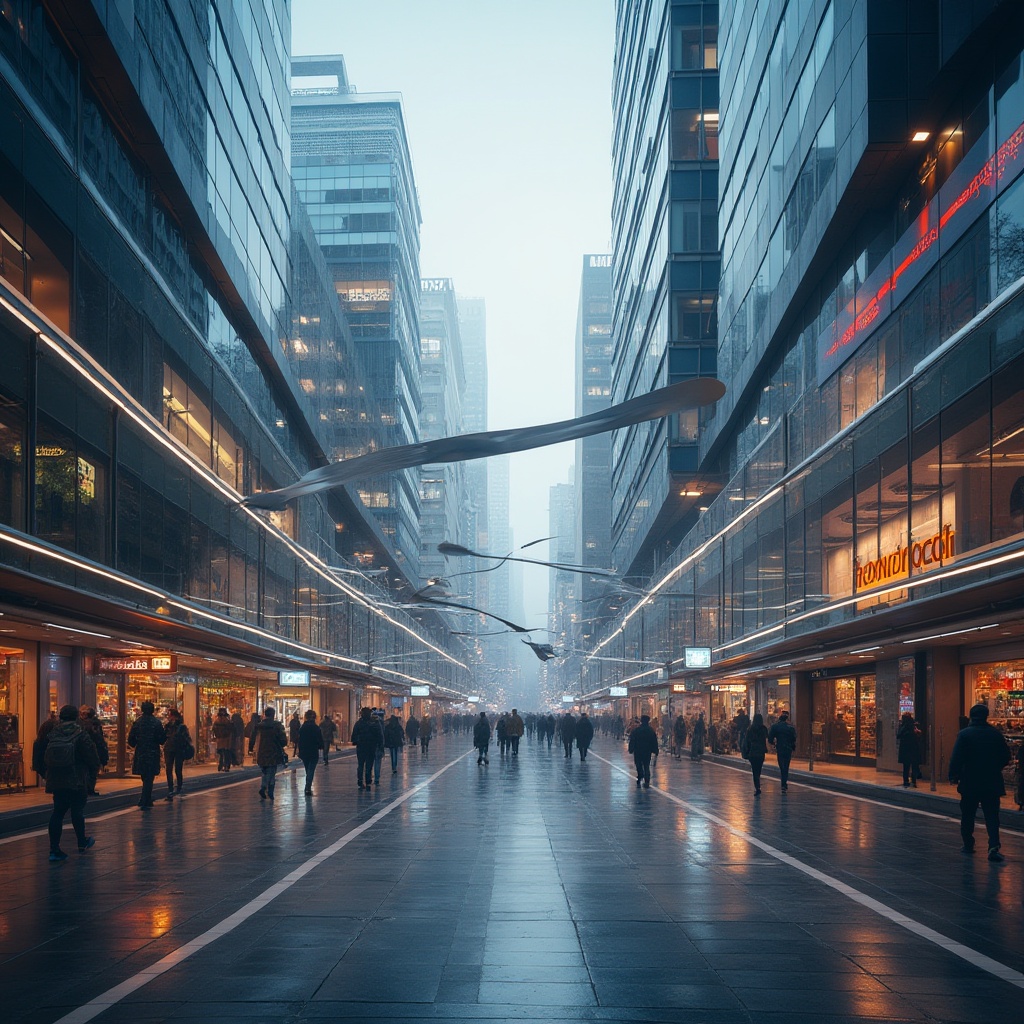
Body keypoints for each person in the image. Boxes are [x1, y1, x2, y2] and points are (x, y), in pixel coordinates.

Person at [33, 705, 99, 861]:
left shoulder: (52, 733)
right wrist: (92, 772)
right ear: (76, 716)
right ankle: (82, 842)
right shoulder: (80, 733)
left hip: (57, 780)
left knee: (58, 813)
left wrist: (46, 773)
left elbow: (40, 755)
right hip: (76, 779)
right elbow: (91, 756)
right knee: (77, 811)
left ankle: (54, 849)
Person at [948, 703, 1012, 861]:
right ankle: (994, 846)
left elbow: (956, 758)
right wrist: (995, 767)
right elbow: (1006, 756)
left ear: (971, 716)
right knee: (992, 815)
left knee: (968, 814)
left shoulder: (964, 734)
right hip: (991, 781)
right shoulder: (995, 734)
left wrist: (954, 775)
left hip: (970, 780)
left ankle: (968, 844)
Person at [128, 701, 166, 809]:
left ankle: (145, 798)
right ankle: (146, 798)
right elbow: (162, 739)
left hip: (141, 752)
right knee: (150, 776)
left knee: (145, 775)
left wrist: (137, 743)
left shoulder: (138, 722)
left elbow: (131, 740)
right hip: (153, 752)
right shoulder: (156, 723)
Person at [163, 708, 193, 799]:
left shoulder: (176, 726)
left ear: (173, 716)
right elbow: (188, 738)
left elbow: (163, 737)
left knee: (173, 769)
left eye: (170, 715)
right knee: (174, 769)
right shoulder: (172, 726)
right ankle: (174, 788)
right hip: (174, 749)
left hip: (174, 749)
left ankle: (174, 788)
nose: (169, 717)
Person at [78, 706, 108, 795]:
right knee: (92, 770)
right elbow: (99, 739)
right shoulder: (94, 724)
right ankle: (89, 788)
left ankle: (85, 788)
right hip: (93, 749)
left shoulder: (79, 724)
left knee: (86, 769)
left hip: (83, 750)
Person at [351, 707, 383, 789]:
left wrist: (356, 741)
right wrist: (380, 745)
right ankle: (368, 781)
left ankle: (360, 780)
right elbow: (379, 735)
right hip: (371, 746)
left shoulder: (358, 723)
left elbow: (354, 736)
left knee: (361, 764)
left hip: (361, 747)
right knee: (369, 764)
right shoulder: (374, 723)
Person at [767, 710, 797, 791]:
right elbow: (794, 738)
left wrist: (773, 744)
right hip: (788, 748)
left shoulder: (775, 726)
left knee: (782, 765)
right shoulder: (791, 727)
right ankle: (784, 782)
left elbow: (770, 738)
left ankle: (783, 782)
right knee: (786, 765)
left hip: (780, 747)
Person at [297, 709, 324, 795]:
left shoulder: (302, 728)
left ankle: (308, 785)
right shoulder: (316, 728)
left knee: (307, 768)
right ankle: (307, 787)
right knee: (311, 769)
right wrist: (321, 746)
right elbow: (320, 740)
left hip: (304, 751)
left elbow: (299, 740)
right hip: (313, 751)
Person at [742, 712, 769, 795]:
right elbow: (767, 737)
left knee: (754, 771)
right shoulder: (764, 729)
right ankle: (758, 784)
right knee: (759, 769)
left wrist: (745, 751)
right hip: (761, 752)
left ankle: (757, 787)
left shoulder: (750, 729)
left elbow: (747, 741)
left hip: (753, 752)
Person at [628, 713, 659, 788]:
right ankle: (647, 781)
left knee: (638, 764)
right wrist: (655, 750)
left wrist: (631, 749)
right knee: (646, 765)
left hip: (638, 751)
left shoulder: (637, 730)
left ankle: (640, 776)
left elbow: (632, 740)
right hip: (647, 751)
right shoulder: (651, 731)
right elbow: (654, 741)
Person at [896, 712, 923, 787]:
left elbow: (898, 735)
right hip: (913, 748)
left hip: (906, 749)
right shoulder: (914, 725)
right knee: (913, 765)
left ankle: (906, 781)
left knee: (906, 766)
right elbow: (919, 736)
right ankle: (913, 780)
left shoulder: (903, 726)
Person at [212, 708, 234, 772]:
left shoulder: (216, 721)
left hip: (219, 739)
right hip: (226, 739)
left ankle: (220, 765)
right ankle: (226, 766)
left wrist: (216, 736)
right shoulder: (227, 721)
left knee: (221, 753)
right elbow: (231, 730)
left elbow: (214, 730)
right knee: (226, 753)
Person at [372, 709, 386, 783]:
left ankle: (368, 778)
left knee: (369, 762)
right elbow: (381, 736)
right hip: (378, 745)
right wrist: (382, 745)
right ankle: (376, 778)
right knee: (377, 761)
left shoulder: (368, 722)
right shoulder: (380, 724)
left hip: (370, 745)